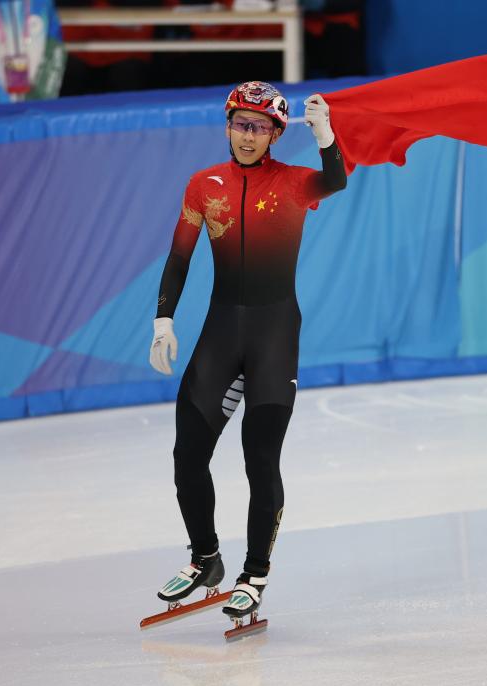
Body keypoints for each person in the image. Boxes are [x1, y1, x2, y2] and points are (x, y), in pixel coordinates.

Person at [148, 80, 346, 622]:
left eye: (259, 127)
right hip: (220, 332)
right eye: (240, 124)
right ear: (228, 126)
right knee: (188, 455)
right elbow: (180, 257)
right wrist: (163, 319)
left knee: (260, 460)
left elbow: (335, 179)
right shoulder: (203, 184)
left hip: (273, 336)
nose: (248, 136)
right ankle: (205, 559)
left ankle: (254, 573)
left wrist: (326, 136)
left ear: (276, 134)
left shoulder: (295, 182)